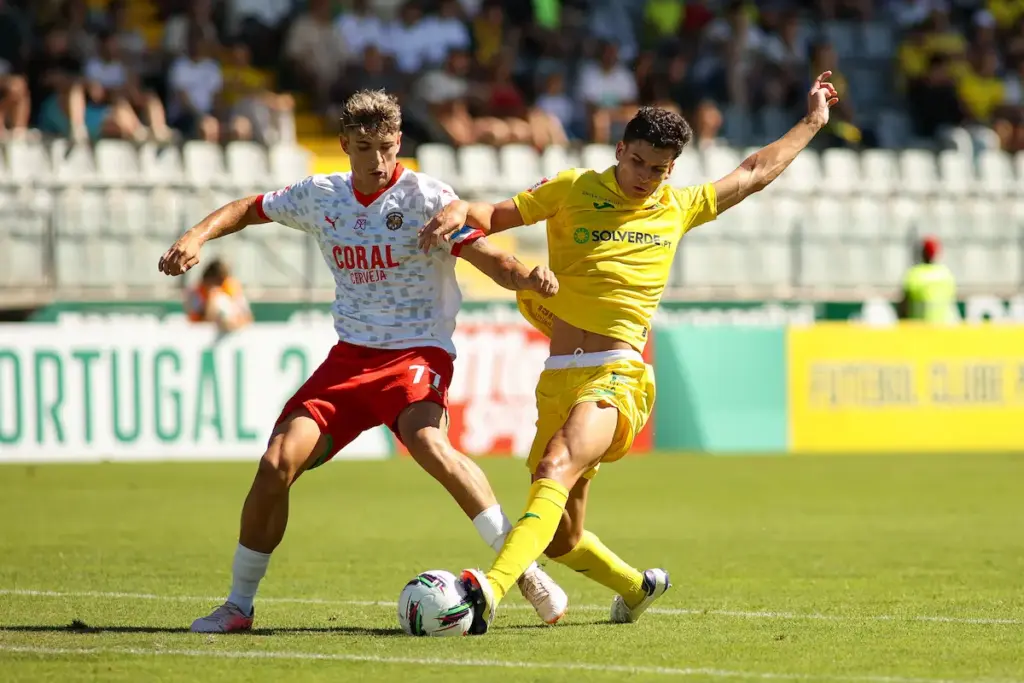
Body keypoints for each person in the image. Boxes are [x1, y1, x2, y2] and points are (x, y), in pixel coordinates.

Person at [419, 73, 841, 635]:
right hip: (559, 376)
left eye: (660, 169)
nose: (646, 177)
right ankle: (638, 588)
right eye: (639, 162)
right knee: (564, 538)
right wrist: (458, 210)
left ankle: (485, 595)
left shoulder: (679, 205)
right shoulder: (571, 188)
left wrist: (812, 120)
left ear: (673, 168)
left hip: (619, 376)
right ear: (620, 150)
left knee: (555, 466)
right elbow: (496, 216)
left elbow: (756, 171)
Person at [157, 89, 568, 633]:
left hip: (418, 349)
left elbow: (480, 251)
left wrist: (524, 274)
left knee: (428, 442)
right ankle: (238, 606)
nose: (376, 160)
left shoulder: (427, 197)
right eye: (364, 147)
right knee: (276, 464)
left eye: (386, 146)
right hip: (349, 359)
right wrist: (195, 236)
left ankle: (526, 570)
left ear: (399, 143)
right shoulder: (320, 196)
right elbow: (246, 209)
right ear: (345, 145)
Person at [897, 236, 956, 324]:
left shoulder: (915, 274)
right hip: (944, 327)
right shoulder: (946, 274)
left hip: (919, 328)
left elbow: (904, 306)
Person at [184, 258, 253, 333]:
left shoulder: (232, 289)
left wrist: (233, 322)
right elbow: (196, 318)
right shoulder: (195, 291)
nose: (218, 286)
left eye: (221, 282)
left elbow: (247, 317)